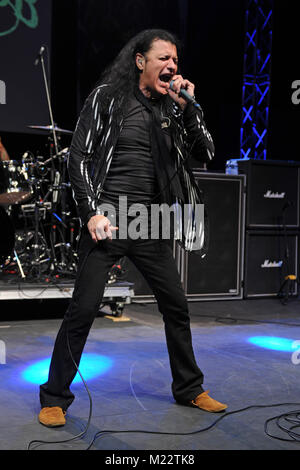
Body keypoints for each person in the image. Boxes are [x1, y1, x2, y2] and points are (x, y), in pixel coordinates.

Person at [38, 29, 227, 428]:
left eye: (175, 61)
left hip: (151, 223)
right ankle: (55, 396)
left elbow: (207, 151)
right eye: (163, 59)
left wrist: (189, 108)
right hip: (108, 221)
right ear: (140, 61)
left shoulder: (173, 110)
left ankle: (189, 388)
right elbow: (80, 157)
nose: (171, 66)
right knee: (83, 310)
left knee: (176, 305)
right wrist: (90, 211)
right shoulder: (108, 98)